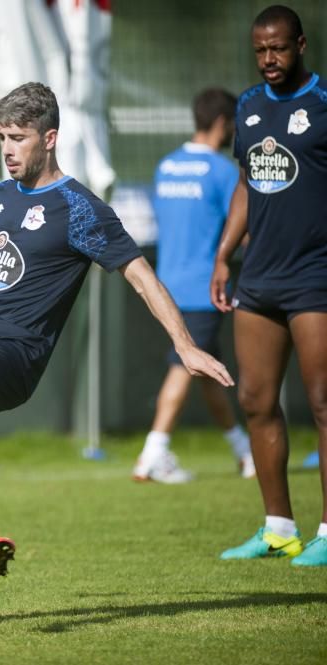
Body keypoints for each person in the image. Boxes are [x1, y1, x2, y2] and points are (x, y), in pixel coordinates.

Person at [0, 82, 234, 630]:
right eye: (1, 137)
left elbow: (140, 276)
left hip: (15, 353)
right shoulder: (2, 194)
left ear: (50, 138)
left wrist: (185, 345)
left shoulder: (80, 209)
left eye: (18, 138)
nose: (8, 149)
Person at [212, 5, 327, 567]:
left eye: (278, 48)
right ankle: (279, 527)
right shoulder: (250, 106)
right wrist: (224, 254)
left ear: (300, 45)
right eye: (259, 50)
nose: (268, 59)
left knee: (324, 403)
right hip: (259, 278)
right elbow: (246, 184)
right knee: (256, 400)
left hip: (315, 276)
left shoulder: (324, 105)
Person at [133, 88, 255, 484]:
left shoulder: (166, 166)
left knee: (207, 371)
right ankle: (153, 452)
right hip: (204, 288)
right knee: (183, 368)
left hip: (166, 287)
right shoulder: (222, 172)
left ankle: (244, 453)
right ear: (223, 123)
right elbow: (242, 230)